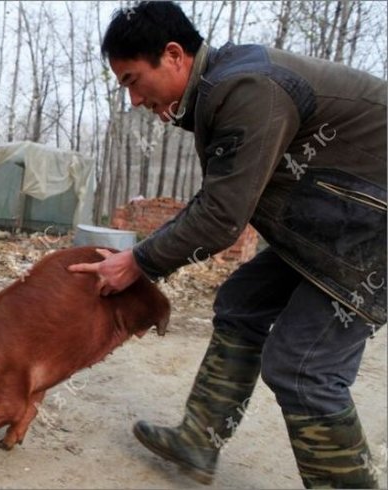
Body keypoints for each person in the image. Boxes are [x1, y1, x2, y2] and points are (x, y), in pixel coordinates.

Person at [68, 2, 387, 487]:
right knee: (241, 302)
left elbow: (222, 218)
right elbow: (221, 197)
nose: (133, 100)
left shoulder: (246, 88)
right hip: (338, 221)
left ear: (173, 55)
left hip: (371, 231)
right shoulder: (221, 90)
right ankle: (200, 439)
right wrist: (147, 255)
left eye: (132, 80)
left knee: (303, 366)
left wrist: (141, 261)